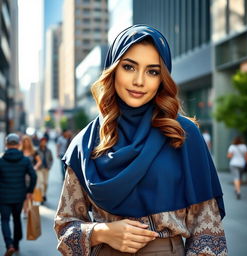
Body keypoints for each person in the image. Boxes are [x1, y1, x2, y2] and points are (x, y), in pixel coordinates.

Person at [54, 25, 227, 255]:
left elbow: (208, 232)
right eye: (129, 67)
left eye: (152, 71)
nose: (139, 81)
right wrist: (101, 232)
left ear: (162, 78)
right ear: (113, 70)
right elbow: (64, 228)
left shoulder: (182, 135)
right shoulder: (84, 143)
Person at [0, 133, 37, 256]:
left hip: (4, 196)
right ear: (18, 144)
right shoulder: (25, 160)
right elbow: (33, 175)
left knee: (4, 220)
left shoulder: (1, 161)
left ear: (6, 144)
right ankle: (16, 245)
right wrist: (30, 191)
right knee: (17, 219)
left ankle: (9, 244)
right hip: (19, 195)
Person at [20, 135, 42, 207]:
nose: (26, 143)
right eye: (24, 142)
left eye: (27, 142)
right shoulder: (20, 151)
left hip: (31, 174)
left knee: (31, 191)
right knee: (23, 192)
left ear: (30, 142)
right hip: (22, 174)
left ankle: (30, 209)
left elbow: (39, 161)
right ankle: (25, 209)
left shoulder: (34, 151)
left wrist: (35, 167)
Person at [37, 137, 53, 202]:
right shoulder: (37, 151)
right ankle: (42, 195)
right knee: (41, 181)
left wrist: (49, 166)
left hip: (46, 169)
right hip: (39, 169)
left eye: (44, 142)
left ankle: (44, 194)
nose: (43, 143)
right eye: (42, 141)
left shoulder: (49, 151)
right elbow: (34, 160)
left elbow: (51, 159)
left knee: (45, 183)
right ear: (40, 142)